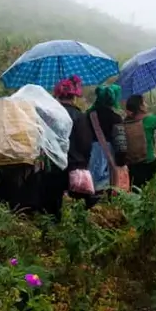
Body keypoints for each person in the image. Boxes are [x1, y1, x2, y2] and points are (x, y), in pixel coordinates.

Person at [42, 75, 93, 221]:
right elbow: (86, 144)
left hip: (53, 167)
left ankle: (51, 236)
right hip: (75, 168)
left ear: (57, 96)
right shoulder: (80, 116)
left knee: (52, 208)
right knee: (77, 208)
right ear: (74, 97)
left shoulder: (49, 117)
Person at [85, 84, 127, 207]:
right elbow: (120, 143)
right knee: (107, 186)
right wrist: (121, 162)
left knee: (92, 187)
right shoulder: (116, 118)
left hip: (90, 155)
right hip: (108, 157)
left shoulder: (88, 115)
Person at [124, 94, 156, 189]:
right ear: (141, 107)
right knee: (147, 191)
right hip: (148, 161)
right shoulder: (150, 120)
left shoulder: (126, 122)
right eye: (144, 102)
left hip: (131, 163)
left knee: (134, 190)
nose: (146, 104)